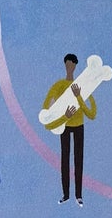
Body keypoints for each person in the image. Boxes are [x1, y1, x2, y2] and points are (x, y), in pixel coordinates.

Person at [41, 53, 96, 204]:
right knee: (64, 160)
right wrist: (62, 114)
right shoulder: (59, 85)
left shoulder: (82, 86)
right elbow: (47, 107)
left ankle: (79, 195)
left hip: (79, 126)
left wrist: (78, 96)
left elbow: (91, 113)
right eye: (67, 65)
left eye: (72, 65)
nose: (69, 68)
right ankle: (66, 194)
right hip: (64, 125)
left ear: (75, 66)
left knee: (79, 159)